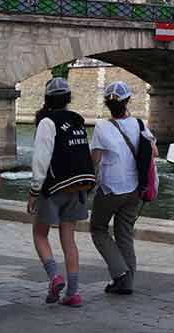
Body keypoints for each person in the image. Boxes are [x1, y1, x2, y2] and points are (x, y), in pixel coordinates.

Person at [27, 77, 95, 307]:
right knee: (69, 240)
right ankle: (73, 293)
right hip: (77, 188)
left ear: (47, 99)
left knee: (39, 234)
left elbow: (41, 158)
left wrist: (35, 190)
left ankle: (54, 276)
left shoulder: (47, 121)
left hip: (54, 188)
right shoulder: (77, 119)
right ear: (68, 99)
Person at [89, 81, 157, 295]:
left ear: (107, 105)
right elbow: (154, 152)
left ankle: (120, 273)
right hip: (135, 187)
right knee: (124, 233)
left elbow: (95, 161)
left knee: (98, 229)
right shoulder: (139, 124)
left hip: (111, 188)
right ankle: (127, 283)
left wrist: (87, 185)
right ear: (128, 101)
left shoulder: (102, 127)